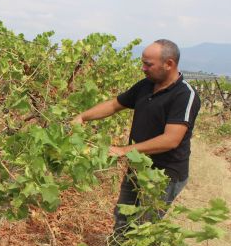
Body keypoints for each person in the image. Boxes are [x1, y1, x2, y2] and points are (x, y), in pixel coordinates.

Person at [72, 39, 201, 235]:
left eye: (148, 64)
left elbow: (171, 139)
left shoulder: (184, 95)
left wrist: (124, 150)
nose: (143, 68)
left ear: (169, 64)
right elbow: (114, 105)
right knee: (122, 217)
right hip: (137, 165)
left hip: (164, 175)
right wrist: (83, 117)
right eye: (143, 62)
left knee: (144, 227)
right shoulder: (146, 85)